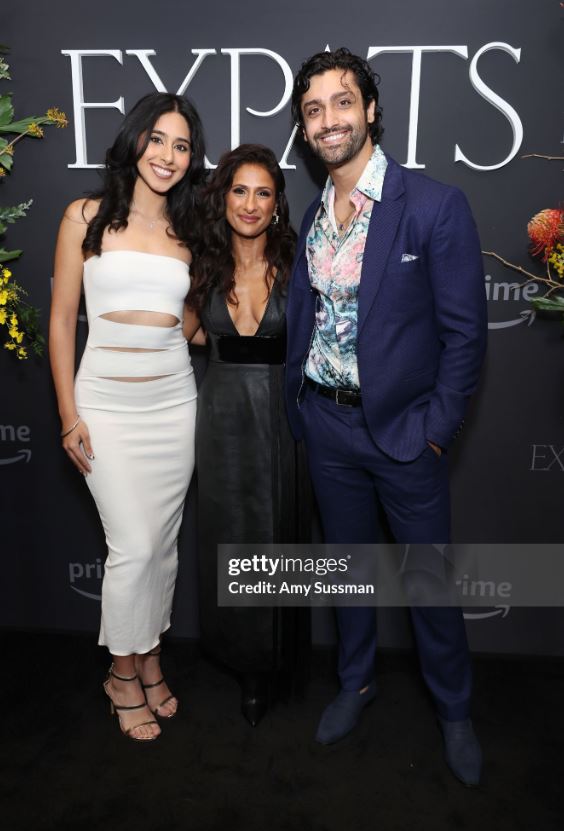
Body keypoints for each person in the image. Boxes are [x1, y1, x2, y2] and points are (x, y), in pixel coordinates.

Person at [285, 49, 487, 785]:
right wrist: (303, 408)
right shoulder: (312, 214)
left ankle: (455, 710)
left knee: (429, 581)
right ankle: (356, 680)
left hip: (405, 435)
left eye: (343, 103)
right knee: (348, 572)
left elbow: (465, 335)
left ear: (370, 111)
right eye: (314, 110)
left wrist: (435, 430)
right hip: (328, 428)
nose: (329, 119)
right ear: (305, 131)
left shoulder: (432, 205)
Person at [49, 92, 206, 742]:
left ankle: (149, 658)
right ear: (135, 139)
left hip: (174, 406)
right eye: (159, 139)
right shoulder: (84, 217)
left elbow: (190, 326)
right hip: (105, 407)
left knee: (161, 549)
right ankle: (120, 672)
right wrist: (67, 413)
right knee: (133, 546)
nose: (168, 156)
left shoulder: (190, 234)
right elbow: (61, 321)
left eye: (183, 146)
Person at [186, 144, 310, 726]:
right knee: (229, 534)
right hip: (220, 418)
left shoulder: (298, 263)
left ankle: (275, 659)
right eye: (240, 190)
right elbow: (177, 334)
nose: (251, 204)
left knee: (277, 532)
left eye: (264, 192)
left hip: (283, 418)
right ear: (223, 197)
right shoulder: (201, 266)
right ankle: (241, 658)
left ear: (277, 203)